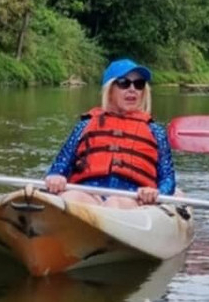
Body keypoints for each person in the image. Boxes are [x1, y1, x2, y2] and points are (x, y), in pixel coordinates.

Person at [44, 58, 175, 208]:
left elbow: (168, 180)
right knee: (73, 196)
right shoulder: (85, 126)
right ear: (110, 90)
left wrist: (155, 192)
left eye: (138, 84)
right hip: (88, 194)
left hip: (133, 199)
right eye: (124, 83)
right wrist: (55, 177)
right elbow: (59, 167)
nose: (132, 89)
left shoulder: (155, 131)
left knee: (116, 202)